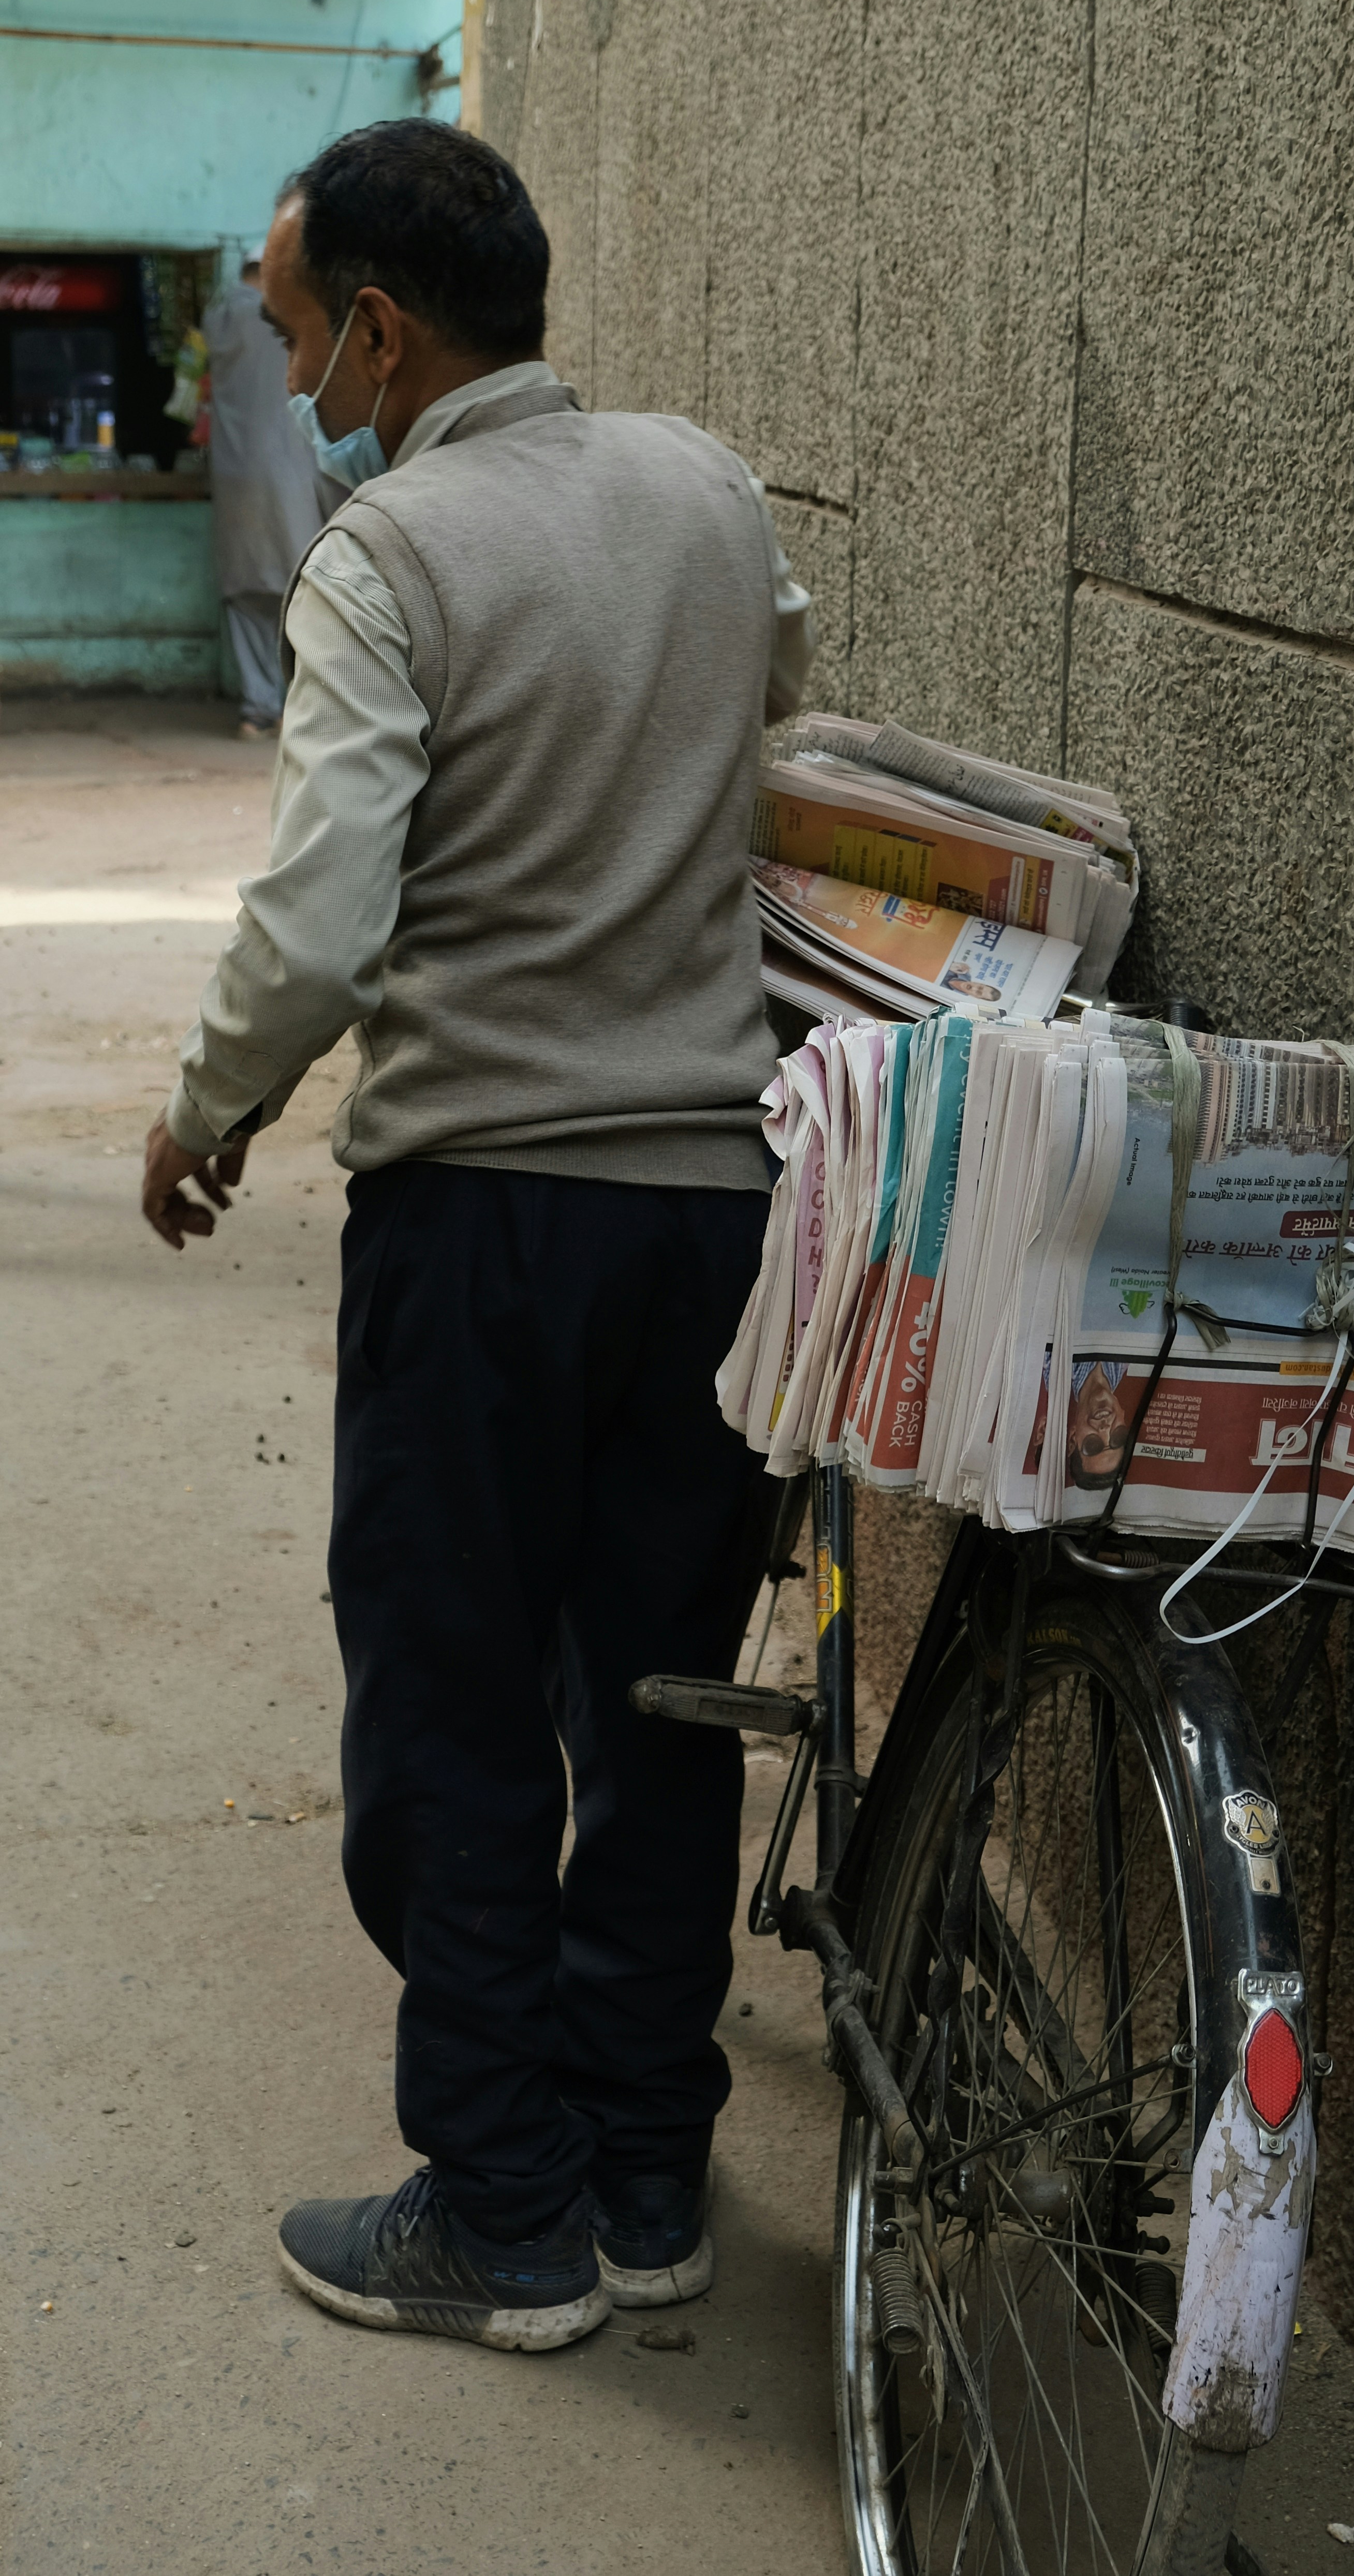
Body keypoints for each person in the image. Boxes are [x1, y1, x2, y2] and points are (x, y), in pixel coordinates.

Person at [140, 120, 814, 2355]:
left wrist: (207, 1107)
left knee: (449, 1709)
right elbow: (775, 721)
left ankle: (505, 2212)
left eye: (288, 319)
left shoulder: (389, 556)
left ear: (380, 330)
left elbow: (323, 924)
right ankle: (643, 2170)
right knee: (657, 1703)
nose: (280, 357)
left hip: (486, 1225)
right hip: (715, 1221)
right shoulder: (709, 494)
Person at [200, 253, 325, 737]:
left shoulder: (218, 319)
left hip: (235, 479)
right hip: (294, 477)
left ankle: (257, 710)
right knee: (303, 595)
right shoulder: (294, 315)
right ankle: (300, 710)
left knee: (245, 597)